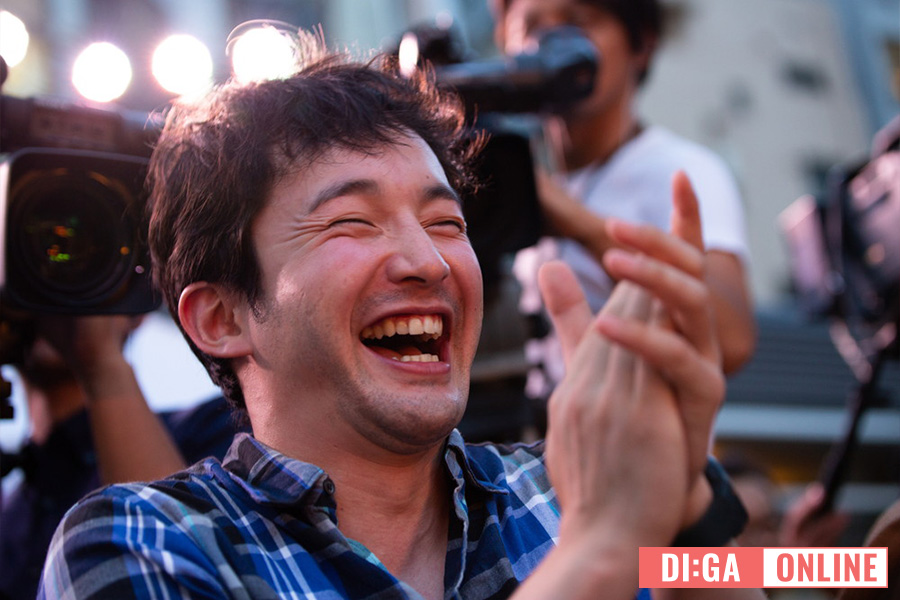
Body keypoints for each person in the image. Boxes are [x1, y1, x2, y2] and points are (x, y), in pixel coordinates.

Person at [38, 30, 763, 600]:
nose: (430, 262)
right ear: (222, 319)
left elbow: (801, 571)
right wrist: (601, 549)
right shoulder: (142, 541)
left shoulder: (570, 484)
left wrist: (687, 506)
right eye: (352, 222)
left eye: (447, 223)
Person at [489, 0, 756, 405]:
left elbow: (732, 340)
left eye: (578, 21)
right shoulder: (523, 178)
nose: (550, 42)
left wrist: (581, 225)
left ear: (641, 45)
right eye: (532, 27)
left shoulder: (682, 170)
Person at [0, 312, 243, 600]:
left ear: (138, 310)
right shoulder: (10, 515)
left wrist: (100, 361)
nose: (47, 304)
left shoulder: (225, 432)